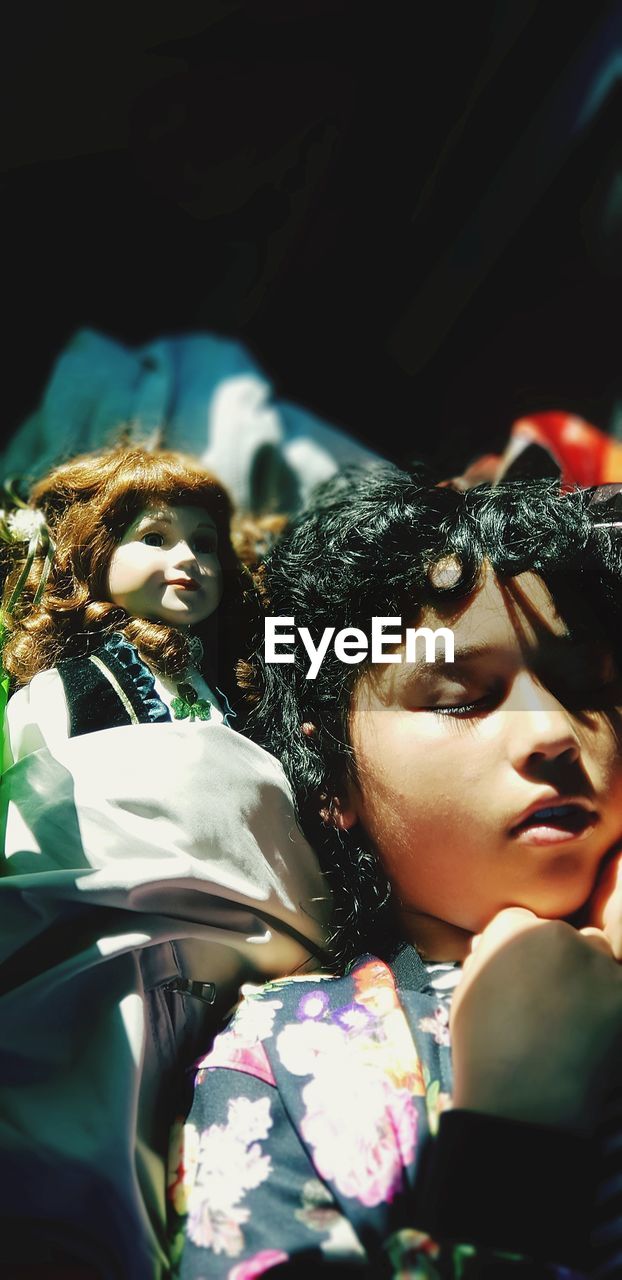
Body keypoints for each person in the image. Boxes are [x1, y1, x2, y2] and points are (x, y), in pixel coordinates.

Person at [171, 465, 622, 1279]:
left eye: (584, 682)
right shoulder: (282, 1057)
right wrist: (513, 1155)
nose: (551, 731)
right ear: (335, 780)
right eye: (460, 699)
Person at [0, 446, 331, 1278]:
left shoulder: (235, 698)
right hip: (113, 935)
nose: (189, 558)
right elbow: (41, 809)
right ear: (93, 555)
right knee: (114, 1093)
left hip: (249, 936)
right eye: (156, 537)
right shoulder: (66, 689)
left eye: (206, 542)